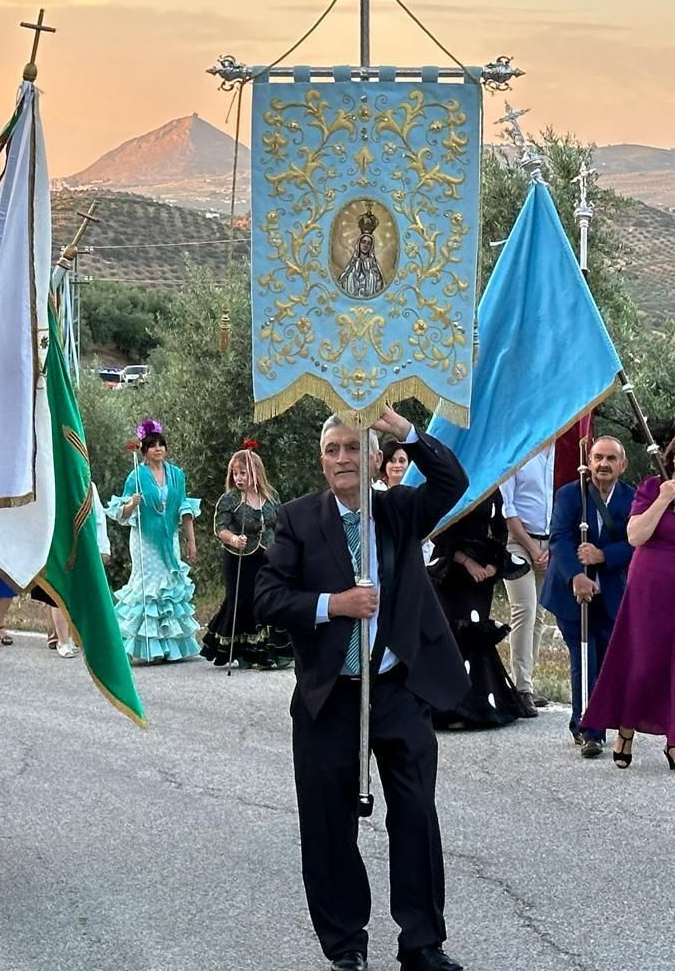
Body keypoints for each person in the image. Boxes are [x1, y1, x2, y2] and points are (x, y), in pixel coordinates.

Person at [254, 409, 471, 971]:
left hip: (398, 689)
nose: (343, 459)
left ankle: (422, 943)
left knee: (416, 813)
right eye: (333, 451)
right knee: (327, 823)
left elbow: (453, 483)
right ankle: (346, 944)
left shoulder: (400, 511)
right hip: (330, 696)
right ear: (322, 460)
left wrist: (401, 428)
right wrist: (333, 606)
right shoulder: (297, 519)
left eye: (354, 448)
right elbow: (267, 597)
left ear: (375, 457)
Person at [583, 428, 675, 775]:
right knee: (643, 662)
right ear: (673, 455)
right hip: (648, 588)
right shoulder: (653, 487)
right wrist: (664, 499)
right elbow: (635, 535)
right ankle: (625, 732)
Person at [541, 437, 634, 759]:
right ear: (589, 461)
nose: (603, 464)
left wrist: (602, 557)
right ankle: (588, 729)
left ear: (623, 464)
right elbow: (560, 539)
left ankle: (595, 719)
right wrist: (576, 576)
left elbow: (635, 542)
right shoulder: (570, 494)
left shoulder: (632, 498)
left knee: (607, 661)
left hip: (611, 593)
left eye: (611, 458)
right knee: (584, 658)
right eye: (598, 457)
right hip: (570, 594)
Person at [427, 490, 527, 730]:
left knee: (476, 630)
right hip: (450, 568)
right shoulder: (453, 487)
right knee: (455, 630)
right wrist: (466, 562)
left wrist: (494, 563)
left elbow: (500, 529)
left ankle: (479, 703)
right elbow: (437, 533)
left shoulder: (492, 489)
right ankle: (451, 706)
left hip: (481, 572)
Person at [105, 420, 201, 664]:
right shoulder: (136, 476)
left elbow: (184, 509)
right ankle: (144, 646)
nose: (158, 449)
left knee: (169, 585)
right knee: (147, 585)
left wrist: (191, 542)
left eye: (161, 445)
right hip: (144, 539)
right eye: (153, 446)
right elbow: (121, 514)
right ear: (144, 451)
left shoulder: (177, 475)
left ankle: (171, 645)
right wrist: (132, 504)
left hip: (169, 539)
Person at [201, 447, 291, 670]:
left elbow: (280, 522)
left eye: (243, 473)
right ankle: (243, 653)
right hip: (239, 558)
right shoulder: (229, 499)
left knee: (267, 598)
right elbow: (219, 527)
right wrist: (233, 539)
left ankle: (271, 652)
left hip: (267, 556)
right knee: (242, 600)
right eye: (235, 473)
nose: (238, 478)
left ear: (256, 473)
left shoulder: (271, 496)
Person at [498, 446, 554, 718]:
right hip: (519, 542)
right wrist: (532, 549)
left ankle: (527, 682)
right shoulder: (518, 452)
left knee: (540, 614)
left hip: (548, 540)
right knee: (524, 610)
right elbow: (509, 510)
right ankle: (521, 686)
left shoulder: (558, 454)